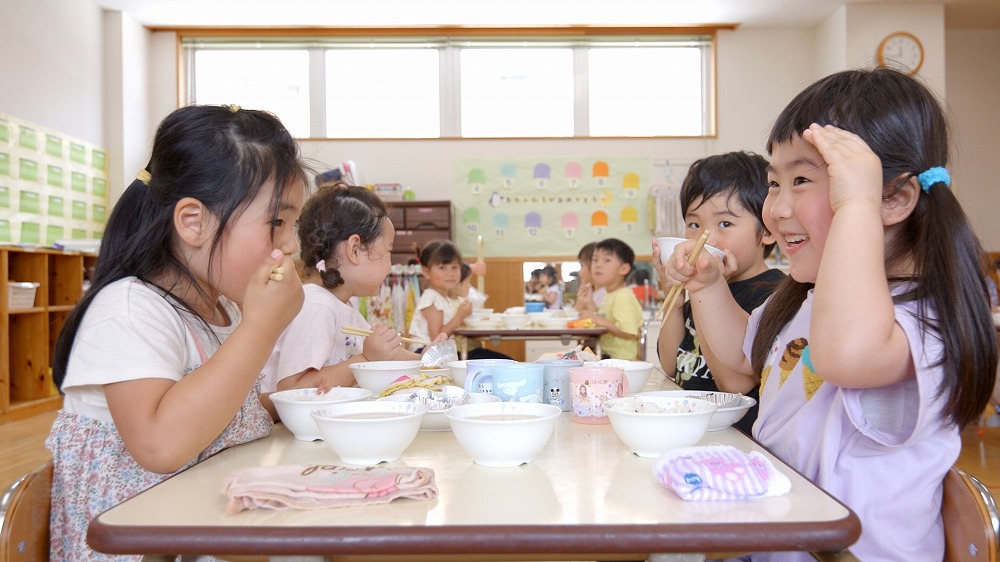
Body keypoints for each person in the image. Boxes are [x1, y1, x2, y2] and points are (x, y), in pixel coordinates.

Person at [663, 68, 997, 561]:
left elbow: (846, 357)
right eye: (774, 183)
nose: (775, 209)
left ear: (895, 198)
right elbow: (737, 367)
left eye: (802, 180)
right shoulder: (810, 297)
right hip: (779, 542)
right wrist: (708, 286)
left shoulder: (922, 321)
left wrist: (857, 204)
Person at [45, 105, 310, 561]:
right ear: (193, 222)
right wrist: (261, 327)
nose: (290, 244)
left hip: (203, 527)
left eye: (293, 225)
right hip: (139, 544)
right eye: (276, 223)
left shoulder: (219, 308)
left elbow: (219, 416)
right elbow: (160, 444)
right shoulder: (130, 309)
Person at [651, 151, 785, 434]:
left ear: (767, 232)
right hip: (692, 428)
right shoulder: (700, 286)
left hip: (735, 439)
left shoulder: (773, 293)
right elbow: (670, 365)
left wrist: (707, 289)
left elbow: (733, 385)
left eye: (725, 223)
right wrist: (674, 294)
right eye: (694, 224)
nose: (706, 237)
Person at [262, 185, 423, 395]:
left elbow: (387, 354)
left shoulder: (343, 304)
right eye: (388, 251)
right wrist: (365, 359)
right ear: (354, 249)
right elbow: (292, 389)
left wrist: (426, 359)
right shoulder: (315, 306)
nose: (389, 265)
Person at [580, 238, 644, 360]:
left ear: (624, 269)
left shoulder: (623, 296)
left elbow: (628, 332)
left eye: (607, 260)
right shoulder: (611, 294)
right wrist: (590, 304)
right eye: (595, 260)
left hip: (621, 361)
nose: (598, 265)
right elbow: (606, 318)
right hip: (608, 357)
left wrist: (595, 318)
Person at [408, 240, 473, 351]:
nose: (450, 273)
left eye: (454, 267)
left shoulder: (442, 297)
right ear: (426, 272)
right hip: (424, 353)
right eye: (442, 268)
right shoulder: (432, 300)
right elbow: (436, 338)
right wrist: (459, 317)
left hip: (435, 352)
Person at [451, 261, 513, 360]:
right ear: (456, 283)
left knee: (509, 361)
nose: (469, 286)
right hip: (464, 351)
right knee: (509, 362)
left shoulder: (459, 301)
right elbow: (458, 325)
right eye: (468, 281)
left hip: (473, 349)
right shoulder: (454, 305)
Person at [574, 241, 605, 313]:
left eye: (582, 266)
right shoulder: (592, 292)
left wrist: (589, 304)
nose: (579, 272)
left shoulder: (605, 293)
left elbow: (603, 320)